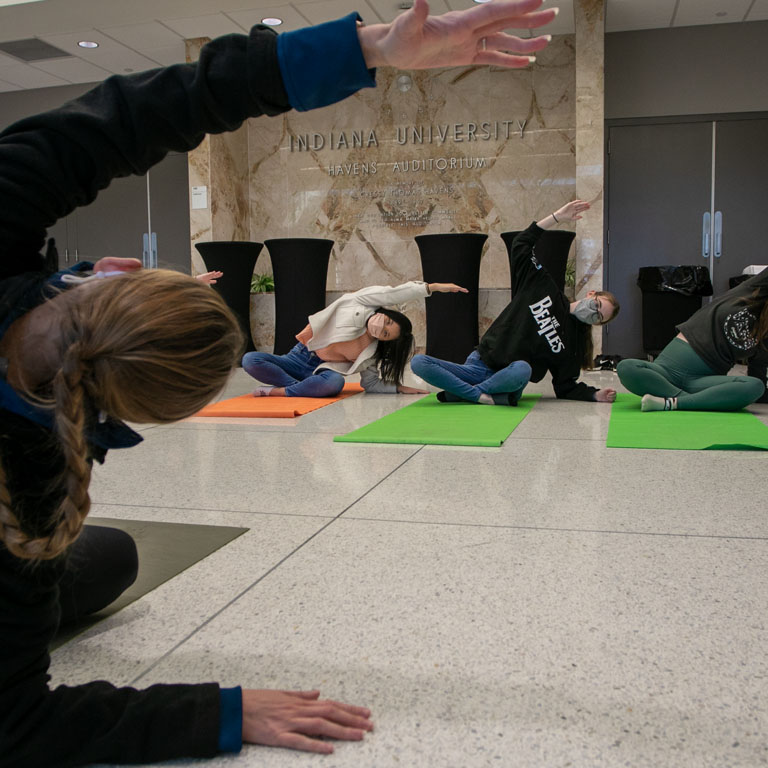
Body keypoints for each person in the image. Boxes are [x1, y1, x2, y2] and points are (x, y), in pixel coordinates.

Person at [0, 0, 557, 765]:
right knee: (97, 560)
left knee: (113, 557)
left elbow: (141, 110)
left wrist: (368, 50)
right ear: (122, 413)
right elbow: (17, 725)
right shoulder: (33, 500)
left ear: (116, 273)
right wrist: (216, 714)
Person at [411, 201, 620, 405]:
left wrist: (595, 395)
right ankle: (481, 396)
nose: (594, 312)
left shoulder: (572, 345)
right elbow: (521, 244)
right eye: (598, 305)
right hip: (479, 364)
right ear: (591, 294)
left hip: (511, 377)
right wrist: (556, 217)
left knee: (523, 368)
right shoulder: (544, 286)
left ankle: (464, 393)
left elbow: (565, 386)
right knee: (419, 362)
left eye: (599, 317)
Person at [243, 281, 467, 397]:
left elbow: (369, 384)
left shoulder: (371, 350)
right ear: (386, 313)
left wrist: (398, 388)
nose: (383, 328)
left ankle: (280, 392)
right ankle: (298, 389)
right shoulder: (361, 301)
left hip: (321, 370)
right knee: (251, 360)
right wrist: (431, 288)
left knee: (335, 383)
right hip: (299, 356)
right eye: (388, 322)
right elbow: (395, 293)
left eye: (387, 334)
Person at [616, 270, 768, 412]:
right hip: (666, 372)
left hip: (702, 382)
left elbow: (758, 375)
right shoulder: (753, 289)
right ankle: (688, 401)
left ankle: (672, 402)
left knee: (755, 386)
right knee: (627, 367)